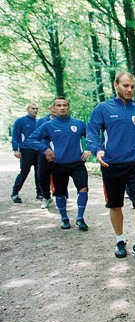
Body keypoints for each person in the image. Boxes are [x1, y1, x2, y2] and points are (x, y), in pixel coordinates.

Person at [87, 72, 135, 263]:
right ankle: (120, 241)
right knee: (116, 204)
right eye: (125, 85)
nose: (129, 89)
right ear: (115, 85)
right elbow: (92, 133)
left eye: (132, 86)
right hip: (111, 164)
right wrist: (97, 151)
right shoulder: (103, 108)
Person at [28, 97, 91, 230]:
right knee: (60, 192)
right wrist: (45, 149)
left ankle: (80, 218)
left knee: (83, 188)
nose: (62, 108)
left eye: (65, 105)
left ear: (68, 107)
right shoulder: (47, 126)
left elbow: (92, 137)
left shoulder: (78, 123)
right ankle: (64, 218)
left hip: (77, 163)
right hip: (58, 164)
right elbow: (31, 139)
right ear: (53, 109)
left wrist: (89, 150)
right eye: (59, 105)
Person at [11, 102, 43, 203]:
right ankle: (15, 193)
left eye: (37, 109)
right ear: (27, 109)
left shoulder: (39, 122)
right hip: (26, 150)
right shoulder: (20, 121)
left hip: (38, 150)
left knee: (39, 172)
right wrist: (16, 149)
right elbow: (15, 136)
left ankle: (40, 194)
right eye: (33, 108)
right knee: (24, 172)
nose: (35, 111)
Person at [36, 103, 57, 209]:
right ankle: (46, 197)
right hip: (44, 152)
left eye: (56, 107)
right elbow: (38, 138)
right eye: (53, 107)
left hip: (59, 154)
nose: (55, 109)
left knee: (60, 176)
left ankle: (60, 196)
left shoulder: (64, 122)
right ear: (50, 109)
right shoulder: (41, 121)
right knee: (43, 175)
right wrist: (46, 152)